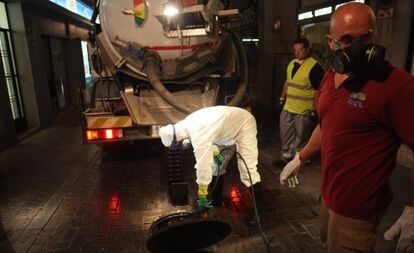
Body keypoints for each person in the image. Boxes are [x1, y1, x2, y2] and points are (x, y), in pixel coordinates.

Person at [280, 3, 414, 252]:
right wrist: (301, 156)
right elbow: (328, 123)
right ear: (331, 42)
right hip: (328, 197)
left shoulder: (396, 86)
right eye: (348, 39)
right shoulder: (331, 74)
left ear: (375, 34)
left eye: (366, 37)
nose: (359, 47)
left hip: (357, 212)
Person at [158, 106, 262, 212]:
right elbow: (211, 135)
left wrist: (202, 193)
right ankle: (217, 203)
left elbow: (203, 165)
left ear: (178, 138)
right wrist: (216, 153)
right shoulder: (187, 125)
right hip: (225, 131)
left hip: (243, 124)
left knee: (247, 170)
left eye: (178, 145)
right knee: (216, 167)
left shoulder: (196, 132)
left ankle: (261, 213)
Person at [273, 38, 324, 168]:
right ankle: (286, 157)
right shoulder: (291, 64)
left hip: (304, 110)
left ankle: (299, 161)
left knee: (301, 137)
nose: (298, 52)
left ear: (307, 49)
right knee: (285, 133)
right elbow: (287, 82)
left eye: (300, 49)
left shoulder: (315, 67)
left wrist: (315, 109)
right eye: (295, 50)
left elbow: (319, 90)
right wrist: (281, 99)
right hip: (289, 106)